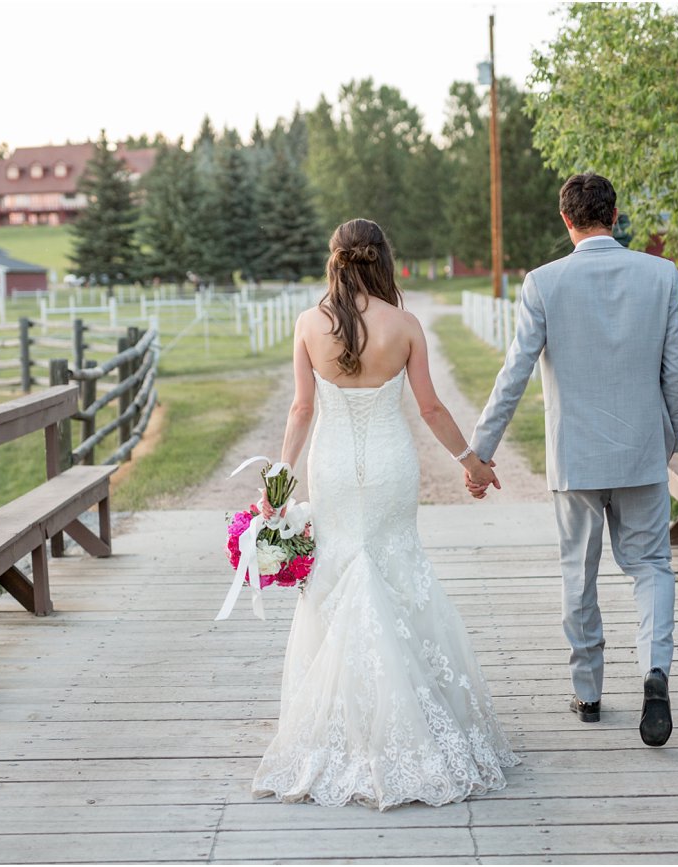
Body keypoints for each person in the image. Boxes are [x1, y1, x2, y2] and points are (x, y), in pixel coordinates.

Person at [250, 218, 519, 810]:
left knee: (343, 572)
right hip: (392, 466)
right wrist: (471, 462)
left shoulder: (309, 324)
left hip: (335, 469)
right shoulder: (404, 325)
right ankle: (414, 721)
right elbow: (430, 406)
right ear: (382, 260)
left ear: (335, 260)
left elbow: (300, 410)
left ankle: (344, 725)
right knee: (396, 567)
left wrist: (278, 485)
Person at [465, 173, 678, 747]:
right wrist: (671, 439)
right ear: (616, 216)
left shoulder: (543, 283)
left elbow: (514, 371)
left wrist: (481, 451)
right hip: (642, 448)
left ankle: (588, 693)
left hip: (576, 456)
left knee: (579, 573)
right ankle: (654, 671)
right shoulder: (661, 275)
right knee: (652, 567)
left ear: (566, 221)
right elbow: (677, 371)